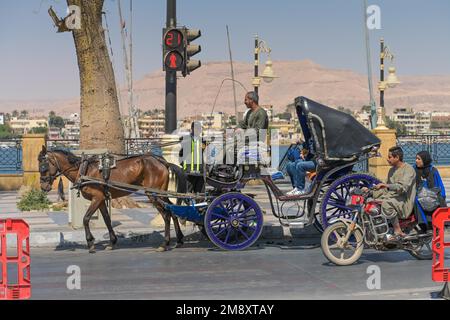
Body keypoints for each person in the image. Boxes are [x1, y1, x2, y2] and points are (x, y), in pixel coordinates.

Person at [371, 146, 417, 240]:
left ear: (397, 158)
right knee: (371, 202)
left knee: (386, 204)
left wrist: (386, 186)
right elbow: (385, 189)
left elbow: (402, 188)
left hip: (404, 201)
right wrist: (370, 191)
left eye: (390, 157)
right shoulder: (392, 170)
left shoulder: (408, 169)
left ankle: (397, 230)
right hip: (393, 198)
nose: (388, 159)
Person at [414, 150, 447, 226]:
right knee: (417, 200)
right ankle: (423, 224)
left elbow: (440, 184)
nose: (416, 161)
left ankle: (435, 223)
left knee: (437, 200)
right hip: (419, 195)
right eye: (416, 158)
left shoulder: (433, 170)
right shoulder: (414, 170)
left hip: (432, 194)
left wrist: (442, 196)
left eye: (418, 159)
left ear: (425, 160)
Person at [180, 121, 205, 193]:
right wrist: (185, 167)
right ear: (192, 128)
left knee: (200, 195)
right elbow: (180, 154)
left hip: (200, 173)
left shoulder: (203, 141)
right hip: (189, 173)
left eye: (199, 128)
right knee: (188, 194)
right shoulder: (186, 139)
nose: (198, 130)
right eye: (196, 128)